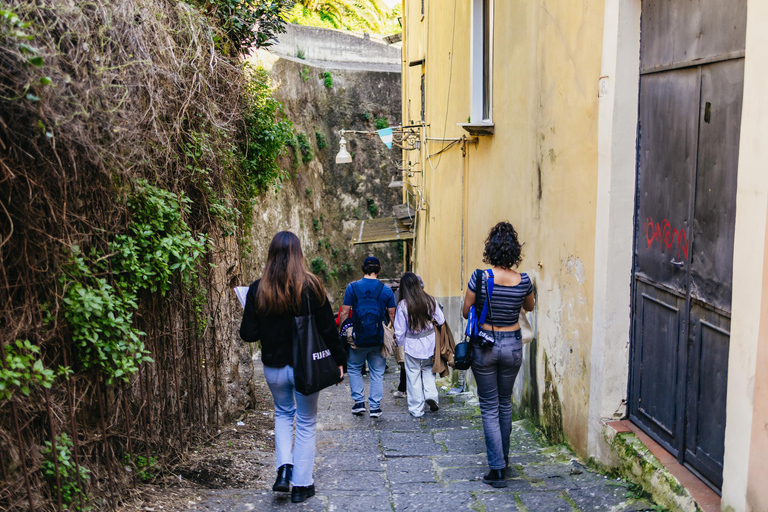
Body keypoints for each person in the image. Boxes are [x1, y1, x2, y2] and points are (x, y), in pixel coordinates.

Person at [239, 231, 346, 503]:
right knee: (307, 422)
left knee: (283, 415)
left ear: (271, 255)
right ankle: (302, 485)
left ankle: (284, 470)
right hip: (306, 367)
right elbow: (328, 329)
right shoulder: (312, 286)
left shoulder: (256, 289)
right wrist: (339, 360)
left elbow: (248, 334)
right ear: (298, 254)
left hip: (274, 368)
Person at [462, 221, 534, 489]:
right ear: (515, 251)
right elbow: (530, 306)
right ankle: (503, 459)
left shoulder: (479, 278)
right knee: (505, 404)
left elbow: (465, 309)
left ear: (490, 249)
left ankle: (497, 470)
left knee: (489, 406)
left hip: (485, 346)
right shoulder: (523, 280)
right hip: (513, 345)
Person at [338, 256, 396, 418]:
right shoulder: (385, 290)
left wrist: (343, 331)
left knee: (355, 368)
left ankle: (359, 403)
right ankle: (375, 407)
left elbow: (344, 312)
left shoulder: (352, 287)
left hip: (358, 337)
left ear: (363, 268)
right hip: (378, 337)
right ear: (378, 270)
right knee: (377, 371)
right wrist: (396, 334)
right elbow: (392, 314)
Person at [394, 272, 445, 417]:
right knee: (429, 370)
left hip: (412, 344)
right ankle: (431, 395)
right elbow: (441, 320)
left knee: (413, 376)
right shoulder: (430, 300)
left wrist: (401, 344)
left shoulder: (403, 305)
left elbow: (399, 331)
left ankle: (416, 409)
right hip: (430, 342)